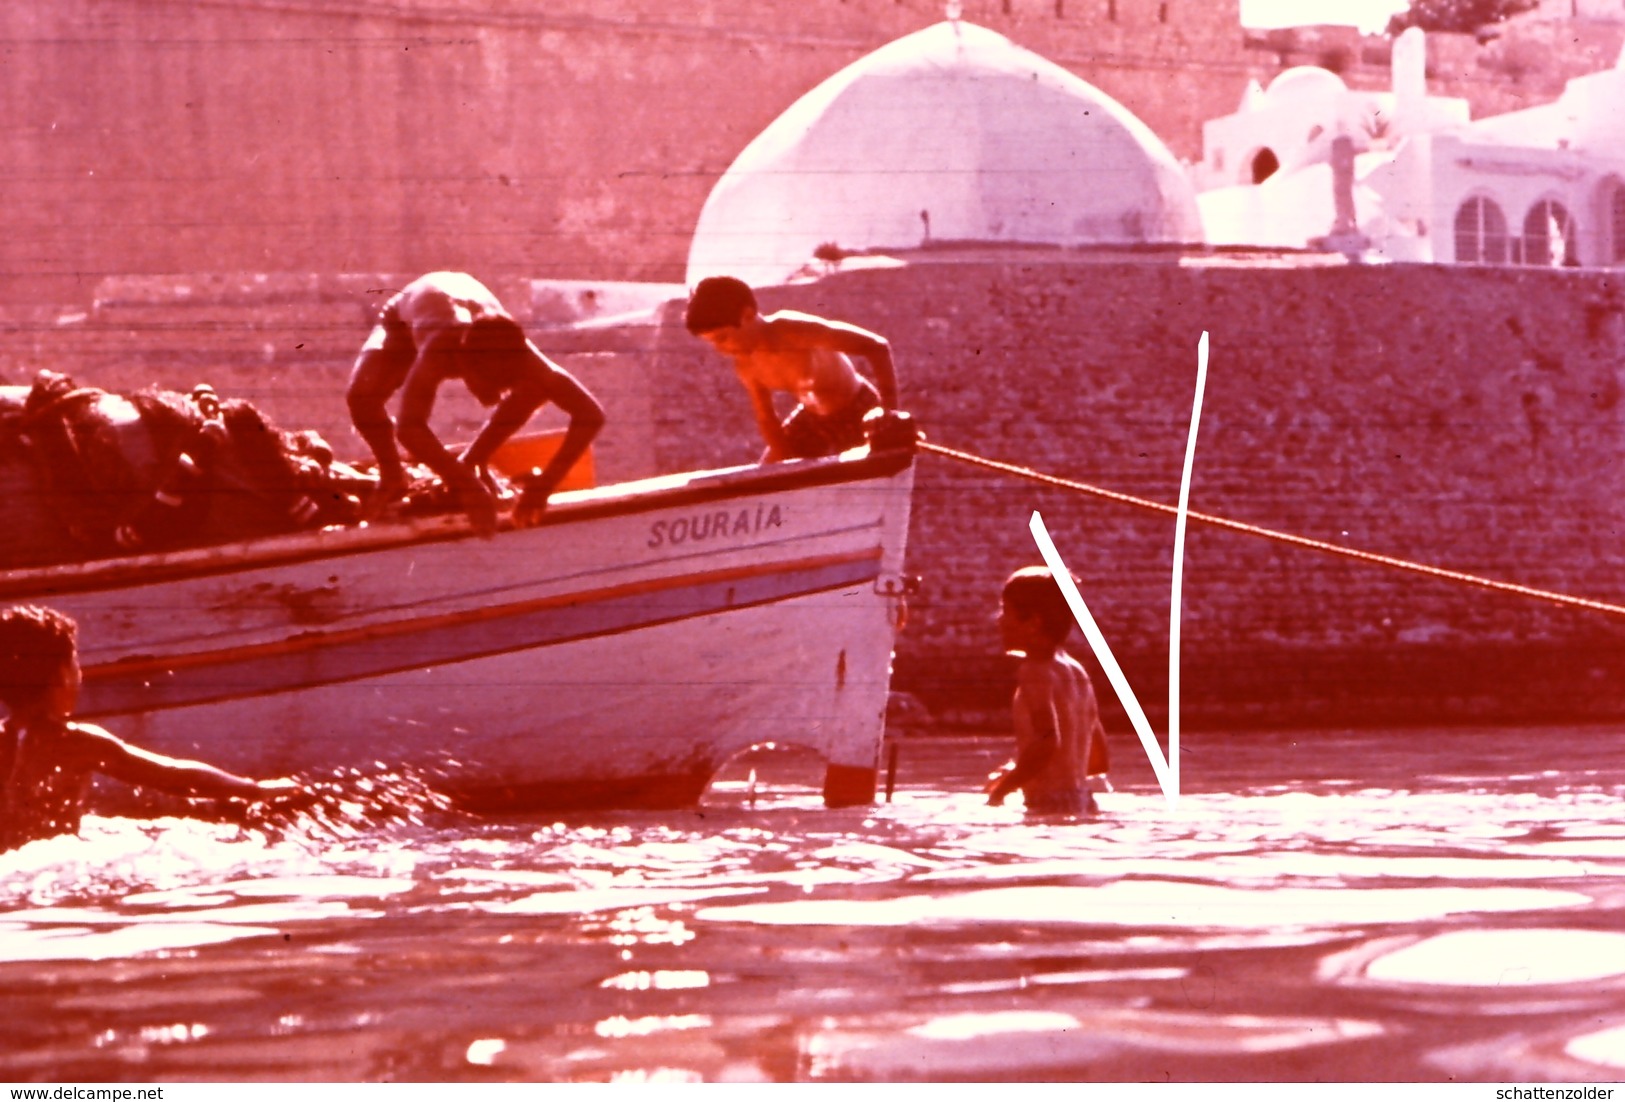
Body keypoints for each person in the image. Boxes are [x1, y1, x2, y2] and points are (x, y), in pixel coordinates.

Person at [0, 605, 303, 853]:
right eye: (76, 665)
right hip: (50, 862)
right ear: (62, 677)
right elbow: (174, 777)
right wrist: (254, 790)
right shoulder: (76, 743)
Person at [346, 271, 606, 535]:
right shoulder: (440, 350)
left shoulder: (522, 355)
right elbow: (409, 427)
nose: (496, 397)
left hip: (472, 308)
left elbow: (590, 414)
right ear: (462, 363)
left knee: (537, 387)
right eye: (490, 385)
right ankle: (392, 475)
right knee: (361, 397)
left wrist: (546, 484)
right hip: (401, 321)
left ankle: (473, 458)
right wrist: (469, 487)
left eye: (505, 385)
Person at [683, 275, 900, 463]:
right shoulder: (746, 365)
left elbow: (876, 347)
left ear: (748, 315)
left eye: (723, 338)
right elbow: (767, 419)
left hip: (857, 407)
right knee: (764, 478)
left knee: (867, 467)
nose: (721, 350)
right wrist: (784, 459)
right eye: (713, 343)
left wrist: (890, 415)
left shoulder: (793, 331)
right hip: (812, 419)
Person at [984, 567, 1108, 816]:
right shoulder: (1077, 672)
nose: (998, 619)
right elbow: (1098, 759)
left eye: (1006, 611)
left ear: (1033, 623)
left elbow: (1047, 743)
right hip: (1085, 801)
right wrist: (1022, 770)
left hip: (1048, 806)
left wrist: (1001, 792)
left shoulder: (1034, 672)